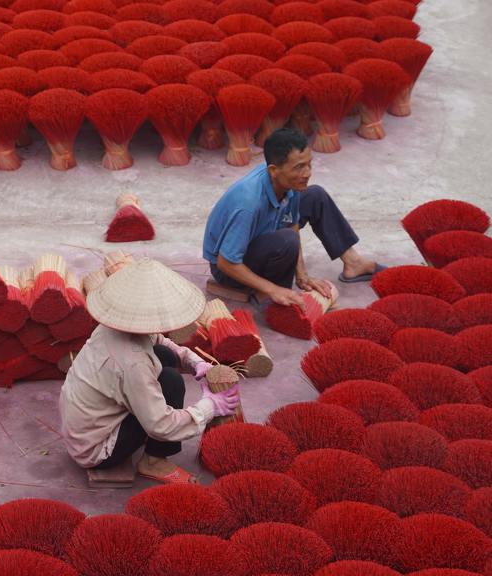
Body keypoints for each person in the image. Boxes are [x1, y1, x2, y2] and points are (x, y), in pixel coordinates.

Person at [59, 260, 241, 484]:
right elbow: (161, 425)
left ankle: (148, 445)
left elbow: (158, 340)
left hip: (85, 426)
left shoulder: (114, 326)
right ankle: (154, 461)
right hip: (96, 448)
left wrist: (194, 362)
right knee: (171, 381)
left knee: (163, 354)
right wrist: (209, 407)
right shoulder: (133, 363)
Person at [203, 128, 385, 307]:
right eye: (299, 167)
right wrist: (274, 290)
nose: (307, 173)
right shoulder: (248, 204)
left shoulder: (289, 181)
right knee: (287, 241)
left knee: (315, 195)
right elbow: (226, 262)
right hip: (228, 269)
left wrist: (302, 274)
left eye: (309, 164)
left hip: (260, 235)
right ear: (274, 170)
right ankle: (270, 297)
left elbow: (292, 223)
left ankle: (353, 262)